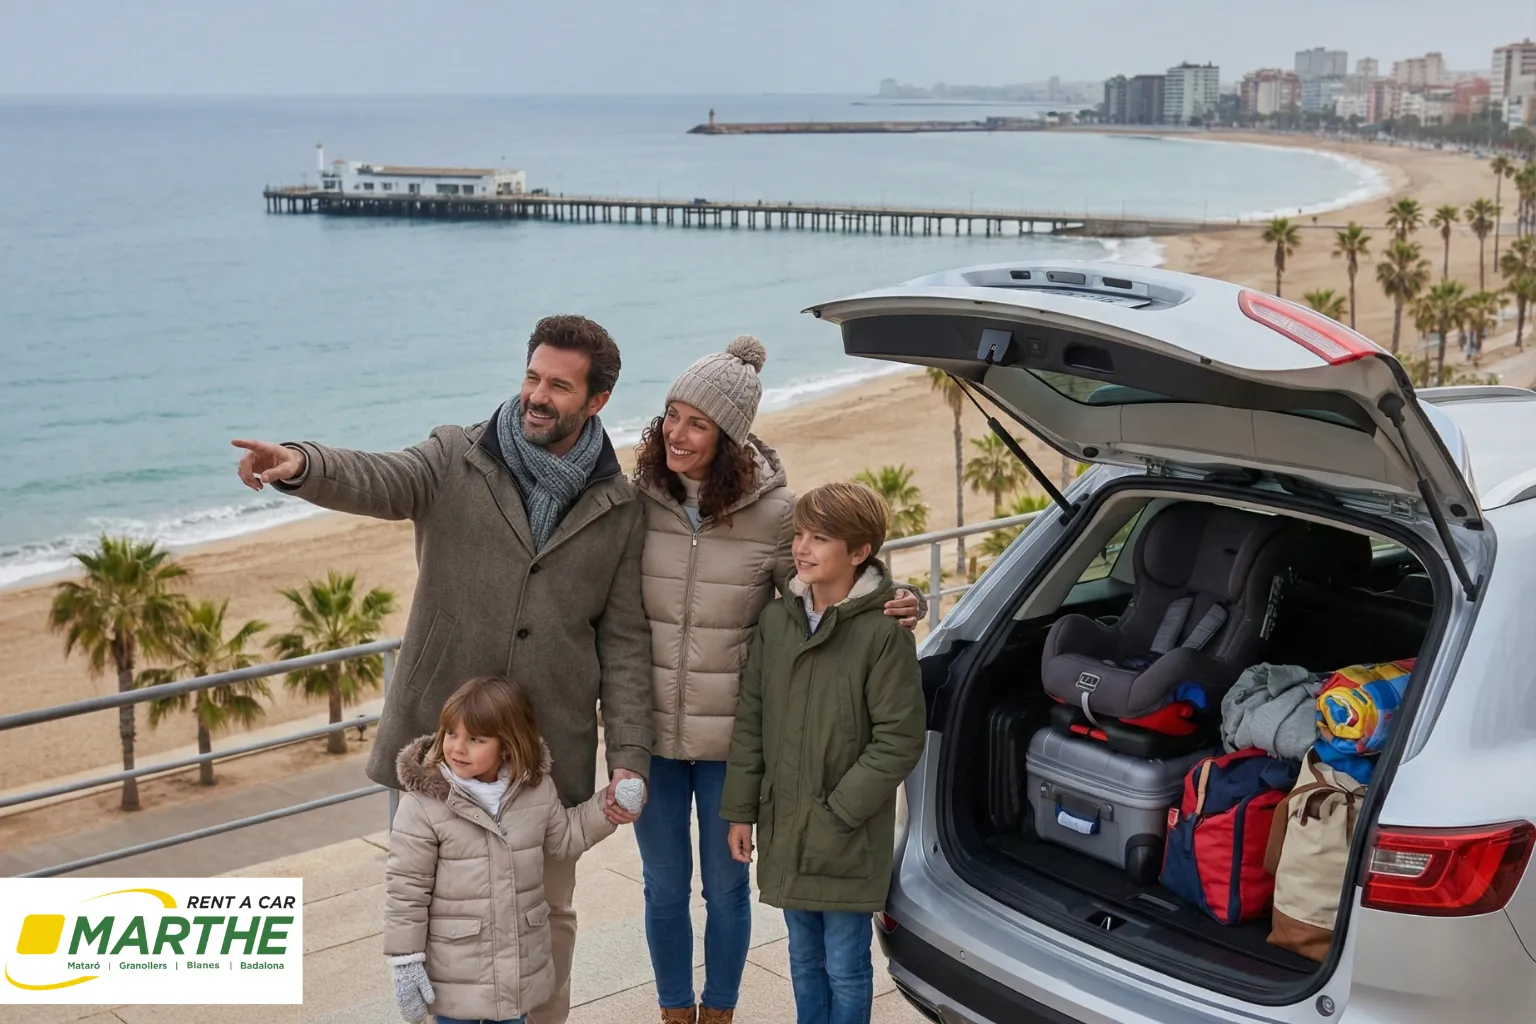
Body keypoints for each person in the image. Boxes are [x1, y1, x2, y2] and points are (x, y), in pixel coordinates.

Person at [232, 315, 651, 1024]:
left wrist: (630, 756)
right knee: (433, 911)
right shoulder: (455, 456)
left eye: (558, 385)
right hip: (441, 742)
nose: (536, 396)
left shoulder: (619, 505)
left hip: (548, 752)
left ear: (597, 401)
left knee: (547, 914)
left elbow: (627, 642)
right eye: (531, 376)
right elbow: (381, 478)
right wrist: (302, 465)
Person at [632, 341, 921, 1024]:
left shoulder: (774, 512)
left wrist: (904, 600)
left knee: (728, 891)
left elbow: (835, 581)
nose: (677, 433)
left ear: (729, 437)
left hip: (732, 732)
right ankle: (676, 1011)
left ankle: (722, 1011)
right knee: (664, 888)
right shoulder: (637, 499)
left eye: (697, 422)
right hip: (650, 734)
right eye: (671, 416)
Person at [720, 482, 926, 1024]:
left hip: (845, 833)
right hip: (786, 824)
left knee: (846, 965)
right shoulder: (776, 621)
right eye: (800, 535)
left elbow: (900, 738)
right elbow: (752, 721)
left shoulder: (884, 633)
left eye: (821, 538)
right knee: (802, 958)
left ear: (859, 553)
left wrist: (838, 812)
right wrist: (741, 809)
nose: (802, 548)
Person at [384, 675, 624, 1024]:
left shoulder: (535, 792)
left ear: (507, 745)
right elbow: (405, 891)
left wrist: (608, 807)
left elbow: (565, 838)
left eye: (475, 739)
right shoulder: (424, 806)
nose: (458, 748)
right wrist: (405, 960)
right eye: (451, 734)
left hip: (517, 969)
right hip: (456, 974)